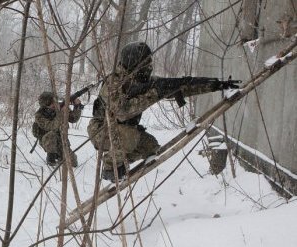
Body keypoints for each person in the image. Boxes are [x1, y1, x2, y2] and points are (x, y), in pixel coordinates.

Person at [88, 42, 240, 181]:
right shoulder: (113, 83)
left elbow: (184, 87)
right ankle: (110, 168)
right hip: (101, 129)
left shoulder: (144, 81)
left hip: (123, 130)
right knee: (129, 136)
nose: (150, 67)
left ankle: (122, 162)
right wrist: (154, 94)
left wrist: (216, 85)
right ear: (135, 63)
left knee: (151, 147)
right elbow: (122, 112)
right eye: (146, 63)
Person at [32, 91, 83, 166]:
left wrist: (77, 106)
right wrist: (61, 113)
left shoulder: (60, 107)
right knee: (52, 135)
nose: (54, 104)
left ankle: (59, 154)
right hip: (47, 140)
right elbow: (52, 126)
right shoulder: (39, 115)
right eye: (51, 103)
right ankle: (51, 156)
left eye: (54, 101)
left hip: (61, 140)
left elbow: (73, 119)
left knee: (73, 163)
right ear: (45, 104)